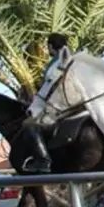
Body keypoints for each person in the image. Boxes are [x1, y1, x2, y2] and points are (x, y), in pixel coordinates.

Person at [21, 33, 69, 173]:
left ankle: (43, 160)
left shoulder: (55, 64)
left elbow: (51, 87)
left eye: (48, 47)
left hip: (58, 104)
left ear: (50, 46)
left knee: (29, 125)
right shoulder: (72, 58)